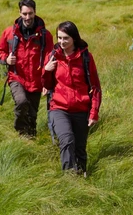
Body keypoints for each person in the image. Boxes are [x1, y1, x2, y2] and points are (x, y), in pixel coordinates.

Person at [42, 21, 102, 175]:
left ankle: (81, 176)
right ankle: (69, 179)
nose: (61, 42)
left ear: (74, 38)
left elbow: (95, 87)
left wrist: (94, 112)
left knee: (80, 148)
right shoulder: (53, 56)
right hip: (59, 108)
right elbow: (47, 85)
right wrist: (46, 70)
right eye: (59, 38)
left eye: (65, 38)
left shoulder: (86, 58)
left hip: (81, 109)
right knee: (67, 140)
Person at [0, 0, 54, 138]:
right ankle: (20, 132)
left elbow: (49, 58)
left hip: (36, 80)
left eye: (30, 13)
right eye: (24, 14)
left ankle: (30, 138)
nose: (27, 17)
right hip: (17, 77)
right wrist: (7, 59)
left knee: (32, 113)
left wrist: (46, 79)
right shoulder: (9, 33)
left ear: (35, 12)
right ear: (19, 13)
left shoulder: (45, 35)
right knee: (22, 102)